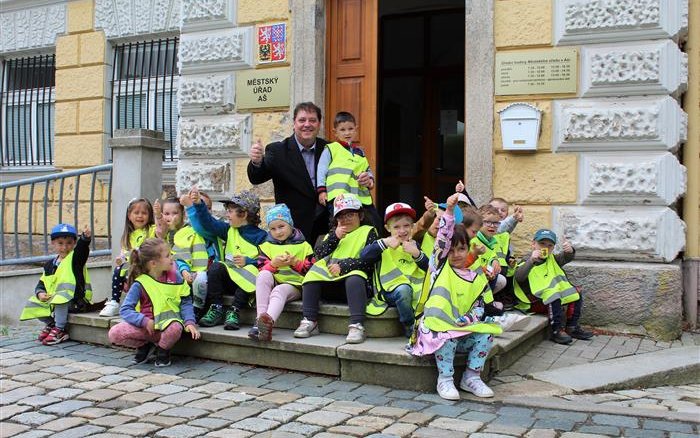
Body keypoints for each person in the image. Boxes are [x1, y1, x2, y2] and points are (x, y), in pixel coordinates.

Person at [410, 193, 502, 400]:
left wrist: (467, 320)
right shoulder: (440, 267)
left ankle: (471, 377)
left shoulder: (475, 273)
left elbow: (480, 305)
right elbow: (443, 240)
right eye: (452, 250)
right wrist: (449, 212)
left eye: (461, 249)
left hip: (463, 329)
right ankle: (445, 379)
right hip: (438, 329)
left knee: (486, 333)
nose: (457, 254)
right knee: (447, 336)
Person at [296, 193, 378, 343]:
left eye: (350, 214)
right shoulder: (332, 235)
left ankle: (356, 325)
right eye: (341, 216)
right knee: (312, 275)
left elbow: (370, 260)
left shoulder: (368, 232)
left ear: (360, 216)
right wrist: (335, 237)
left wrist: (344, 266)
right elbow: (318, 255)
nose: (345, 219)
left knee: (355, 277)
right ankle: (309, 320)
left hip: (357, 288)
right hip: (330, 286)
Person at [108, 238, 201, 366]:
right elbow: (125, 310)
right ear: (153, 263)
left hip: (167, 326)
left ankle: (162, 350)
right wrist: (144, 321)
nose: (172, 258)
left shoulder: (176, 278)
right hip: (146, 328)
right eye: (167, 256)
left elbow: (186, 302)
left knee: (175, 328)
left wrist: (190, 322)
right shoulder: (140, 283)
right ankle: (144, 345)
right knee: (115, 333)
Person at [247, 102, 330, 245]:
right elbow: (257, 177)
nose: (307, 124)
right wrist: (257, 161)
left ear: (319, 123)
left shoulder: (329, 149)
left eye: (312, 120)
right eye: (302, 120)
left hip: (325, 225)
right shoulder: (277, 151)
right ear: (294, 123)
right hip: (293, 229)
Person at [190, 190, 267, 330]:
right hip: (228, 280)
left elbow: (267, 260)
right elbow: (209, 223)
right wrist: (198, 204)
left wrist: (249, 261)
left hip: (247, 283)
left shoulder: (262, 236)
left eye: (231, 211)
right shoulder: (228, 230)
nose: (227, 215)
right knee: (216, 267)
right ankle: (216, 308)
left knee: (252, 272)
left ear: (243, 214)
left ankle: (234, 311)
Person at [514, 229, 594, 344]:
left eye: (550, 245)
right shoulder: (527, 260)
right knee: (553, 295)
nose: (545, 247)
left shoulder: (553, 259)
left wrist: (569, 251)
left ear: (552, 248)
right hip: (532, 302)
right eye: (542, 243)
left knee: (575, 292)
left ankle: (572, 327)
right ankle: (556, 331)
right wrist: (531, 261)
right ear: (533, 244)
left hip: (549, 298)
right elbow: (519, 277)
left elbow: (566, 257)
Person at [361, 202, 428, 337]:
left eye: (406, 226)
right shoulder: (382, 243)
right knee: (403, 291)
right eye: (396, 227)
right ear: (387, 228)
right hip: (389, 291)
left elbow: (428, 267)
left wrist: (416, 253)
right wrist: (384, 243)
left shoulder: (415, 245)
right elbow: (364, 256)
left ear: (413, 226)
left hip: (415, 292)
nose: (402, 231)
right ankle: (409, 325)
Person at [20, 224, 93, 345]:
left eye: (69, 243)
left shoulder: (75, 259)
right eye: (60, 243)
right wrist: (40, 293)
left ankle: (60, 330)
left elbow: (82, 250)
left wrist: (85, 239)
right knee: (32, 303)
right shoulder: (49, 264)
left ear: (75, 243)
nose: (65, 247)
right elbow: (42, 283)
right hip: (55, 300)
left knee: (60, 299)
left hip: (76, 301)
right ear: (53, 243)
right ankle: (51, 324)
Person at [252, 203, 315, 341]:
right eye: (273, 229)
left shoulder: (304, 245)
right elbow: (261, 268)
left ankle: (268, 322)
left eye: (281, 226)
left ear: (290, 224)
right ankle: (260, 321)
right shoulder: (266, 246)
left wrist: (295, 263)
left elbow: (312, 271)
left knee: (279, 290)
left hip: (295, 285)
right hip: (275, 280)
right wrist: (273, 264)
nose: (278, 232)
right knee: (263, 275)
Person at [316, 111, 380, 229]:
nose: (347, 133)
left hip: (360, 198)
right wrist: (321, 190)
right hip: (339, 197)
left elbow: (367, 170)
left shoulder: (360, 152)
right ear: (335, 132)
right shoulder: (331, 149)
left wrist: (369, 180)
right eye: (343, 130)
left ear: (356, 129)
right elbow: (321, 170)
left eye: (350, 129)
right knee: (340, 227)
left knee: (374, 223)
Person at [100, 198, 156, 316]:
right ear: (129, 216)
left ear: (150, 215)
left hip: (147, 267)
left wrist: (159, 214)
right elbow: (125, 254)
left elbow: (160, 233)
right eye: (136, 213)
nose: (140, 216)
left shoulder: (151, 229)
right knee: (119, 269)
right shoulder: (128, 236)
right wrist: (121, 259)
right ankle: (115, 301)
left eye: (144, 213)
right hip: (132, 268)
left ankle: (134, 304)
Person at [180, 190, 219, 319]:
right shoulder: (185, 232)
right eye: (199, 205)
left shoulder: (212, 229)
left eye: (207, 208)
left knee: (201, 278)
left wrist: (191, 207)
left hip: (209, 274)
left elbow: (201, 227)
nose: (203, 210)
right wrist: (185, 270)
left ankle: (197, 309)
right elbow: (179, 255)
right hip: (190, 272)